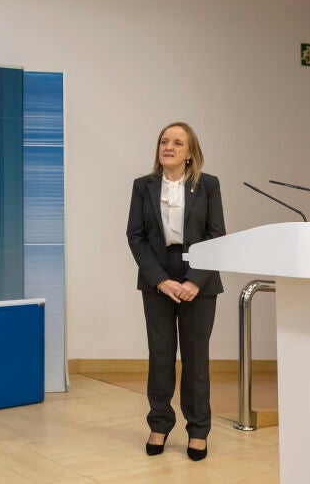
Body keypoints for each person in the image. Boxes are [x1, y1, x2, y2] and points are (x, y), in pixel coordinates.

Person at [126, 121, 224, 462]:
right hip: (157, 275)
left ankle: (198, 430)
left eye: (177, 142)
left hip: (200, 274)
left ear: (190, 152)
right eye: (164, 141)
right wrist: (159, 279)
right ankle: (160, 423)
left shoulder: (208, 185)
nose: (168, 147)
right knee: (160, 354)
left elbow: (216, 235)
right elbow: (136, 236)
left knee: (196, 357)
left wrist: (195, 280)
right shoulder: (143, 186)